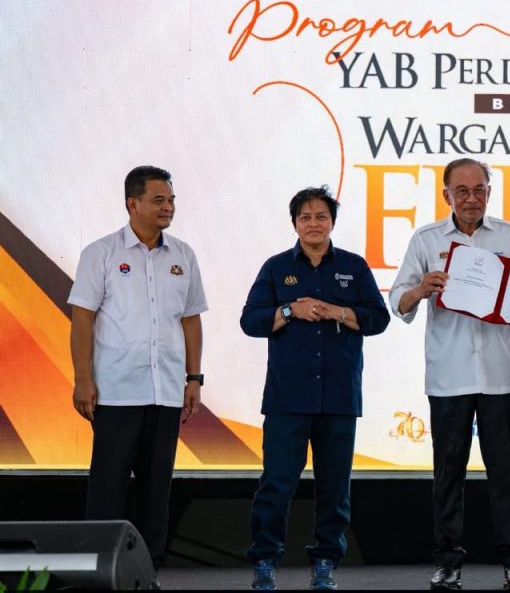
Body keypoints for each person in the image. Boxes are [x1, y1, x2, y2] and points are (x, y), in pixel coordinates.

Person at [390, 158, 510, 590]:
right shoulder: (426, 239)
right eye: (463, 191)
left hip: (500, 376)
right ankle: (448, 562)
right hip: (449, 376)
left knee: (505, 474)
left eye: (480, 190)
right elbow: (398, 301)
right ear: (446, 195)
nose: (472, 199)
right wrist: (421, 289)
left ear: (490, 191)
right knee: (448, 473)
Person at [241, 186, 390, 591]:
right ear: (294, 223)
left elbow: (379, 319)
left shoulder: (354, 267)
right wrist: (291, 310)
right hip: (287, 398)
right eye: (305, 217)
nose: (313, 224)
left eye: (321, 216)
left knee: (334, 487)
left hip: (339, 397)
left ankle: (326, 562)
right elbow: (250, 321)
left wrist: (339, 312)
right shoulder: (276, 268)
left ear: (332, 222)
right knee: (276, 483)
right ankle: (265, 560)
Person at [68, 165, 207, 569]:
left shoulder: (183, 255)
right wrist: (82, 379)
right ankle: (100, 566)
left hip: (166, 390)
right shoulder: (101, 253)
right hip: (116, 389)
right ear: (133, 203)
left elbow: (191, 319)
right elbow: (83, 319)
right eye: (159, 200)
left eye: (172, 200)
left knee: (156, 486)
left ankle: (149, 567)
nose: (168, 207)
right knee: (108, 484)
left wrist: (194, 378)